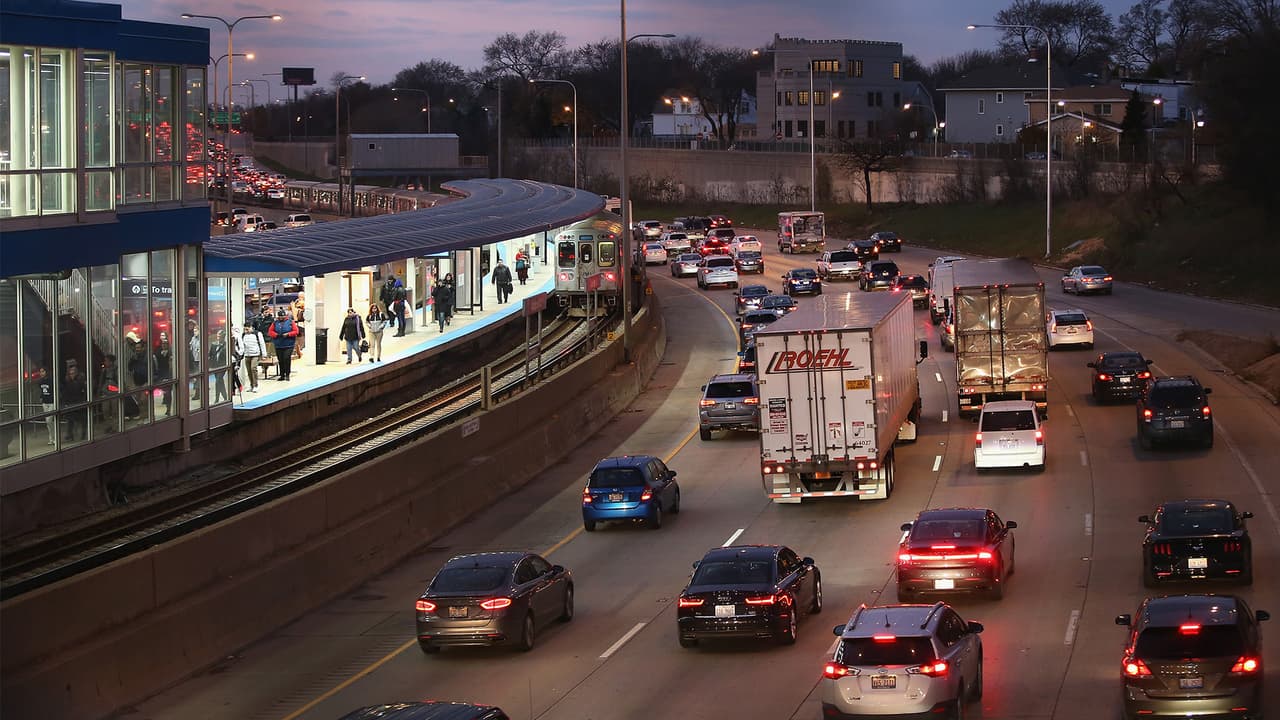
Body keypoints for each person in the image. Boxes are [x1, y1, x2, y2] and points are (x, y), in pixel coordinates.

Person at [268, 309, 299, 381]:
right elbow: (270, 331)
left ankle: (287, 374)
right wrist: (276, 335)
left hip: (289, 344)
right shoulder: (275, 323)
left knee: (286, 358)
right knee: (280, 360)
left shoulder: (291, 322)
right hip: (278, 344)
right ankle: (282, 375)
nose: (281, 318)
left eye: (283, 316)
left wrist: (288, 334)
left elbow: (296, 331)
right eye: (280, 316)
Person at [62, 362, 87, 441]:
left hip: (79, 402)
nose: (71, 375)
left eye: (73, 373)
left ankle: (83, 434)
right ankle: (70, 435)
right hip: (71, 403)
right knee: (70, 420)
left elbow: (84, 392)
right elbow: (65, 393)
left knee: (82, 420)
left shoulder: (80, 381)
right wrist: (65, 403)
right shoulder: (68, 382)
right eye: (70, 374)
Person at [97, 353, 121, 429]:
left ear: (111, 362)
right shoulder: (104, 371)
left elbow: (119, 381)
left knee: (115, 410)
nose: (105, 362)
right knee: (105, 410)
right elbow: (101, 381)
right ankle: (108, 425)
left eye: (106, 361)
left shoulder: (116, 370)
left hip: (114, 391)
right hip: (105, 391)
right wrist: (100, 391)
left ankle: (115, 426)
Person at [240, 321, 265, 391]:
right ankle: (251, 385)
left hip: (255, 354)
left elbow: (262, 344)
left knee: (253, 368)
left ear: (251, 328)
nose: (246, 331)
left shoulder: (258, 334)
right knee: (249, 371)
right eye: (245, 329)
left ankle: (255, 385)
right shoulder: (243, 335)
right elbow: (242, 345)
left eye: (247, 329)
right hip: (247, 355)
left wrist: (264, 355)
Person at [153, 332, 174, 415]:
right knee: (164, 391)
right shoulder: (158, 352)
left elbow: (171, 366)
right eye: (163, 344)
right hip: (161, 375)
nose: (164, 345)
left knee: (168, 392)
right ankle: (166, 402)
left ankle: (168, 409)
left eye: (166, 343)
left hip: (169, 375)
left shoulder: (171, 352)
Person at [35, 366, 56, 445]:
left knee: (49, 420)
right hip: (45, 402)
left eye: (43, 371)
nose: (41, 373)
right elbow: (41, 391)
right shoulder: (40, 381)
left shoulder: (51, 380)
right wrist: (41, 397)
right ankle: (51, 438)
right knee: (48, 422)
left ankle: (54, 437)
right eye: (40, 372)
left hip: (51, 402)